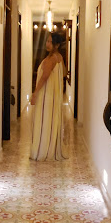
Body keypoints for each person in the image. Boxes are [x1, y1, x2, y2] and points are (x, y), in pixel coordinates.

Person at [29, 32, 68, 161]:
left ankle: (42, 150)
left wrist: (35, 93)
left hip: (46, 95)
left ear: (57, 45)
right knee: (51, 120)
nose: (47, 44)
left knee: (43, 120)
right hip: (54, 96)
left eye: (51, 42)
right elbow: (64, 73)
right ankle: (50, 148)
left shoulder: (51, 59)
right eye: (47, 41)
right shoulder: (59, 57)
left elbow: (44, 77)